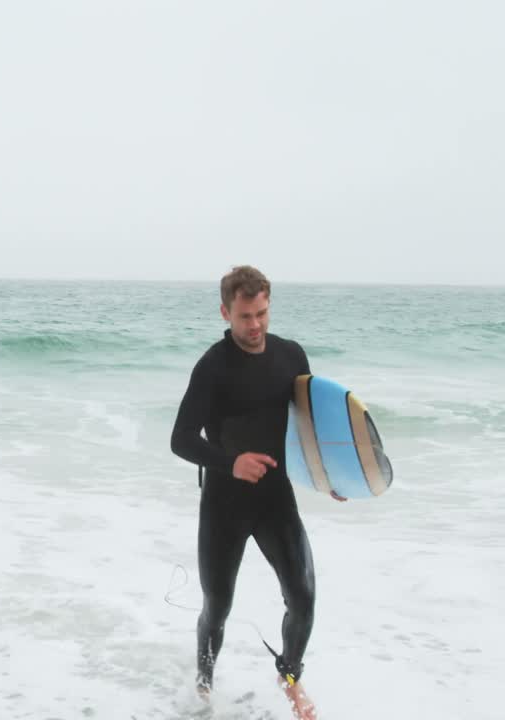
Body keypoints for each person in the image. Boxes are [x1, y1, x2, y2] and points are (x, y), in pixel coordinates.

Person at [170, 265, 340, 718]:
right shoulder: (212, 367)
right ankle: (204, 685)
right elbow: (181, 439)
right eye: (244, 316)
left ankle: (290, 676)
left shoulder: (290, 357)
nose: (255, 325)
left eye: (262, 313)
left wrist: (332, 476)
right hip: (224, 505)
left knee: (303, 597)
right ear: (225, 312)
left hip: (275, 499)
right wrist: (232, 462)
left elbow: (310, 425)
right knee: (217, 606)